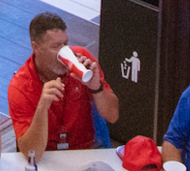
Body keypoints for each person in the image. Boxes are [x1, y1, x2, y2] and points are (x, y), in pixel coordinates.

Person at [8, 11, 119, 155]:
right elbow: (31, 153)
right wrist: (42, 107)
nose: (63, 52)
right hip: (46, 155)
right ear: (35, 47)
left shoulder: (82, 60)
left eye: (65, 44)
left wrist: (96, 88)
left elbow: (113, 116)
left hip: (84, 150)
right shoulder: (20, 86)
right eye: (55, 46)